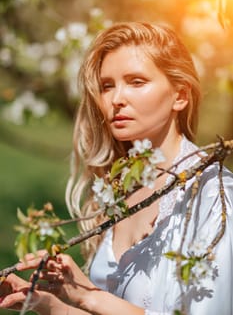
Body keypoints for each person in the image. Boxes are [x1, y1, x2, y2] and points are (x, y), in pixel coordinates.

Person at [0, 22, 232, 315]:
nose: (116, 99)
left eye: (136, 82)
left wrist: (90, 297)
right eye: (107, 85)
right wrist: (55, 307)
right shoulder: (114, 191)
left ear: (180, 96)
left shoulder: (214, 198)